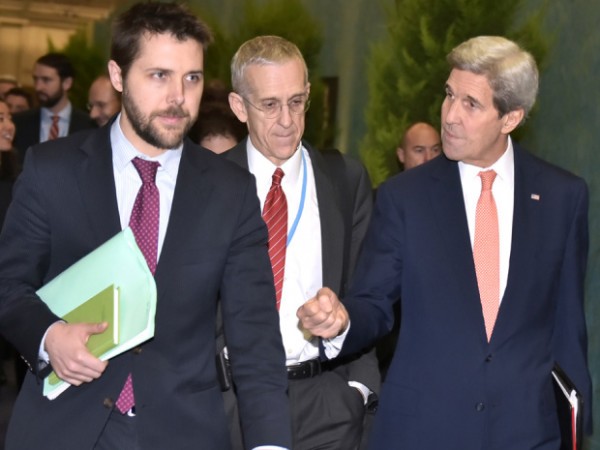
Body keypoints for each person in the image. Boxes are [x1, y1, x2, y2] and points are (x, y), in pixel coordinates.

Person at [0, 3, 291, 450]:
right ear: (118, 76)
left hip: (183, 431)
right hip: (63, 428)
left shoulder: (231, 192)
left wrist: (270, 444)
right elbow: (9, 284)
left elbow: (254, 336)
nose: (178, 96)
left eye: (191, 78)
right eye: (159, 75)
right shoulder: (52, 170)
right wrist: (48, 336)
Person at [298, 35, 592, 449]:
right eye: (449, 95)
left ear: (510, 118)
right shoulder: (405, 197)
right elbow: (374, 302)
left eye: (471, 104)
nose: (450, 115)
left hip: (527, 432)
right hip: (422, 430)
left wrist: (576, 431)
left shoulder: (563, 197)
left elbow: (567, 325)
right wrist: (341, 321)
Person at [224, 35, 379, 450]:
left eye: (296, 101)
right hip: (231, 405)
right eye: (270, 105)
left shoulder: (345, 180)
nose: (287, 121)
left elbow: (372, 294)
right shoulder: (207, 185)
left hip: (325, 403)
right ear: (239, 107)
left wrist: (358, 389)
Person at [11, 52, 95, 161]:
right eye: (36, 79)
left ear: (67, 83)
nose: (38, 87)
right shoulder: (18, 122)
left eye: (46, 80)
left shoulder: (89, 125)